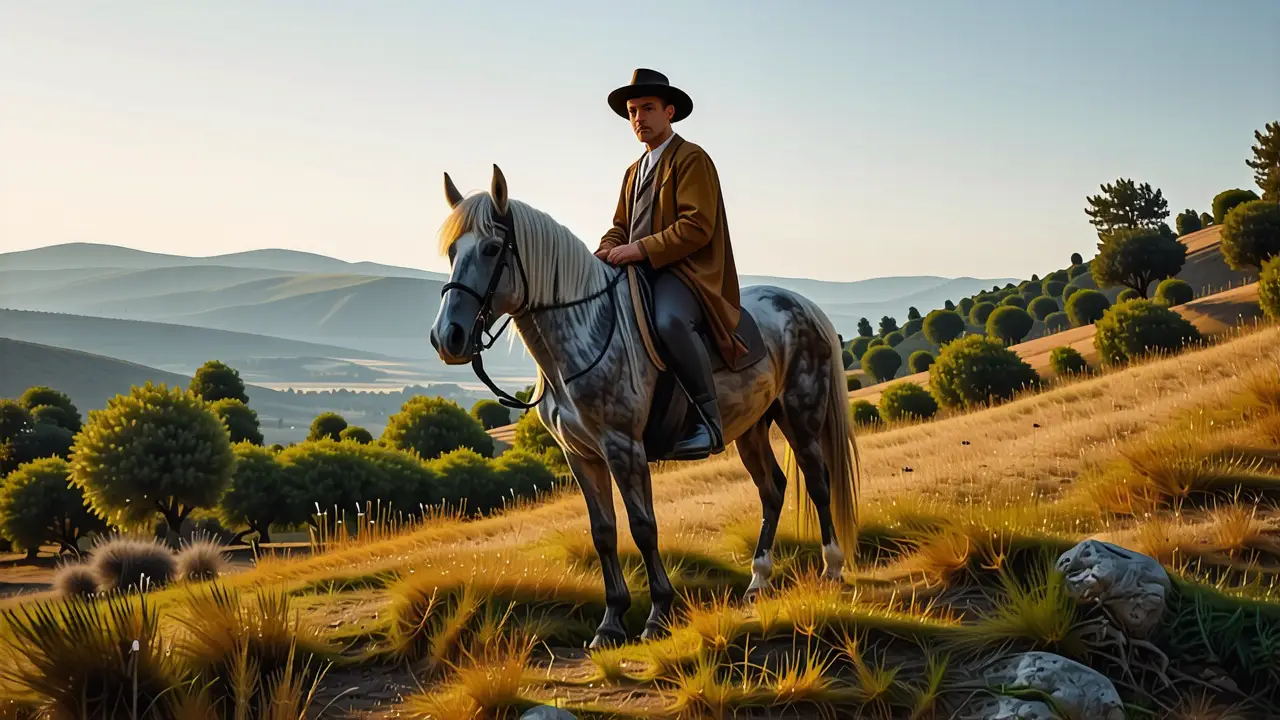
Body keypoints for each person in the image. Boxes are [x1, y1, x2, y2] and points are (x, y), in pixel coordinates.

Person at [595, 68, 747, 460]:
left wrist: (640, 250)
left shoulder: (692, 158)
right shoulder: (633, 172)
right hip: (641, 272)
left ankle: (708, 422)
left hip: (686, 273)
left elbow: (697, 226)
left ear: (670, 112)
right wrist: (602, 251)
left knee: (668, 322)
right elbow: (619, 228)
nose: (638, 118)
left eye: (647, 108)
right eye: (632, 111)